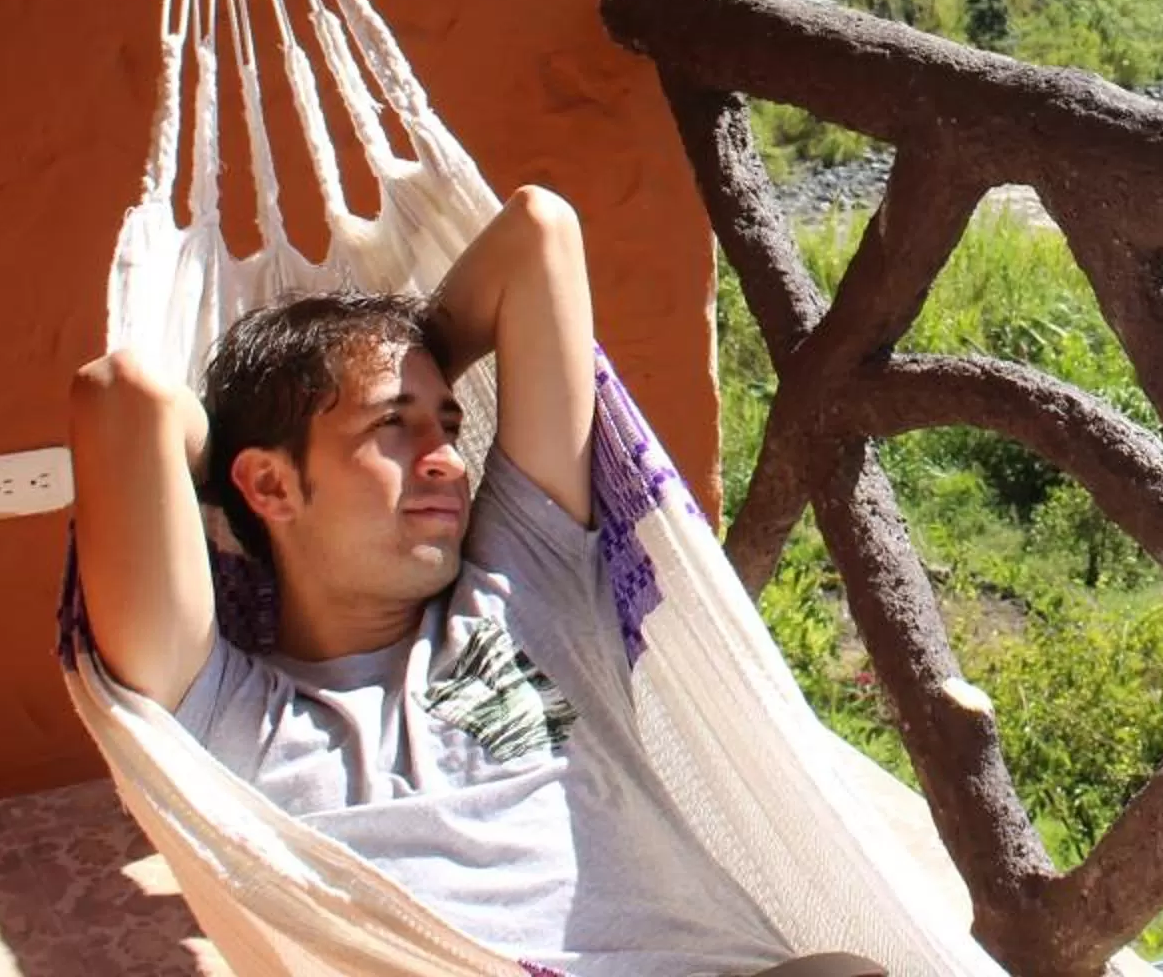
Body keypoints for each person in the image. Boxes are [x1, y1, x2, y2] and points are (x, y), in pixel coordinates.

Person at [70, 187, 871, 977]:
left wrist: (386, 364)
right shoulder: (220, 712)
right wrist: (262, 429)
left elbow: (540, 230)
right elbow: (122, 395)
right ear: (271, 488)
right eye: (394, 426)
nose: (449, 458)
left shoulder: (527, 592)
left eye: (449, 425)